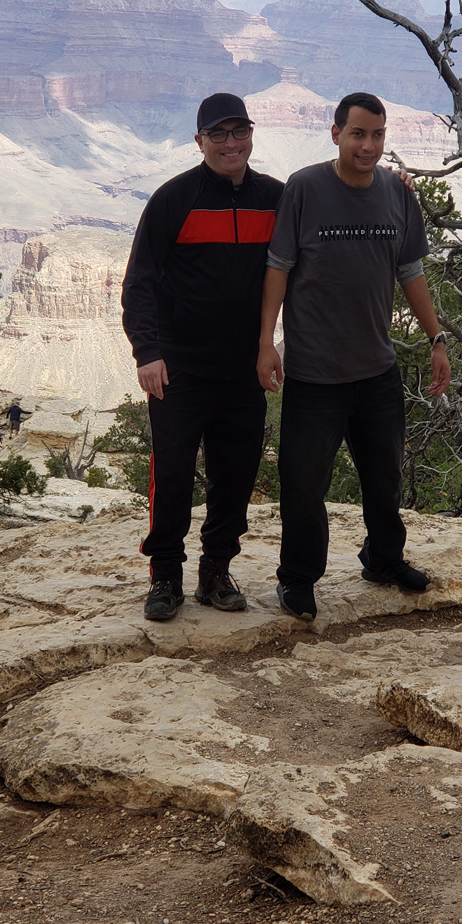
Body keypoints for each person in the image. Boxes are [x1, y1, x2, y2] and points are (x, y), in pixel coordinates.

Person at [257, 91, 451, 622]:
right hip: (315, 374)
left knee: (384, 476)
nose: (369, 145)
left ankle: (383, 560)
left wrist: (437, 339)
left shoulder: (396, 192)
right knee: (303, 484)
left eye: (378, 134)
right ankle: (297, 579)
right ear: (336, 132)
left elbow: (410, 271)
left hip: (377, 370)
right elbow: (278, 267)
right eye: (359, 133)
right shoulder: (305, 188)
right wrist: (265, 344)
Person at [121, 93, 283, 621]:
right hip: (180, 366)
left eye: (240, 132)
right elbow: (140, 282)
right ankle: (165, 575)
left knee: (235, 474)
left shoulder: (276, 198)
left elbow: (333, 203)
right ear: (200, 142)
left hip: (244, 367)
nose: (231, 143)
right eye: (220, 134)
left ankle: (216, 571)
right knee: (172, 474)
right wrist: (147, 351)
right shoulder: (174, 199)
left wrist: (394, 185)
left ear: (252, 135)